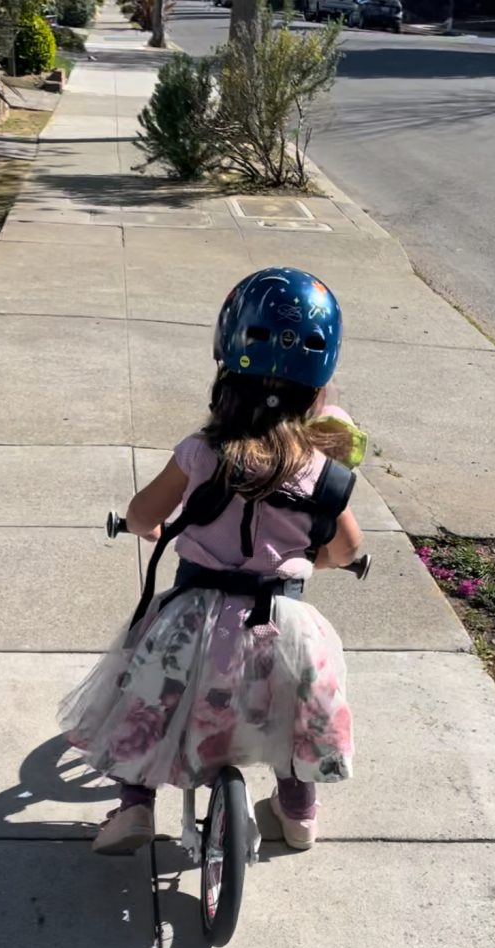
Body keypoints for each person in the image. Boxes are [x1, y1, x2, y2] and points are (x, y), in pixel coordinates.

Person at [59, 267, 364, 855]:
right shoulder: (326, 474)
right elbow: (345, 549)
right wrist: (310, 559)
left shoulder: (200, 454)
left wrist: (149, 529)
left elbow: (145, 513)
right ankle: (299, 814)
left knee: (145, 693)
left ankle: (134, 809)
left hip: (194, 620)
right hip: (282, 622)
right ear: (317, 390)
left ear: (225, 367)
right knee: (296, 708)